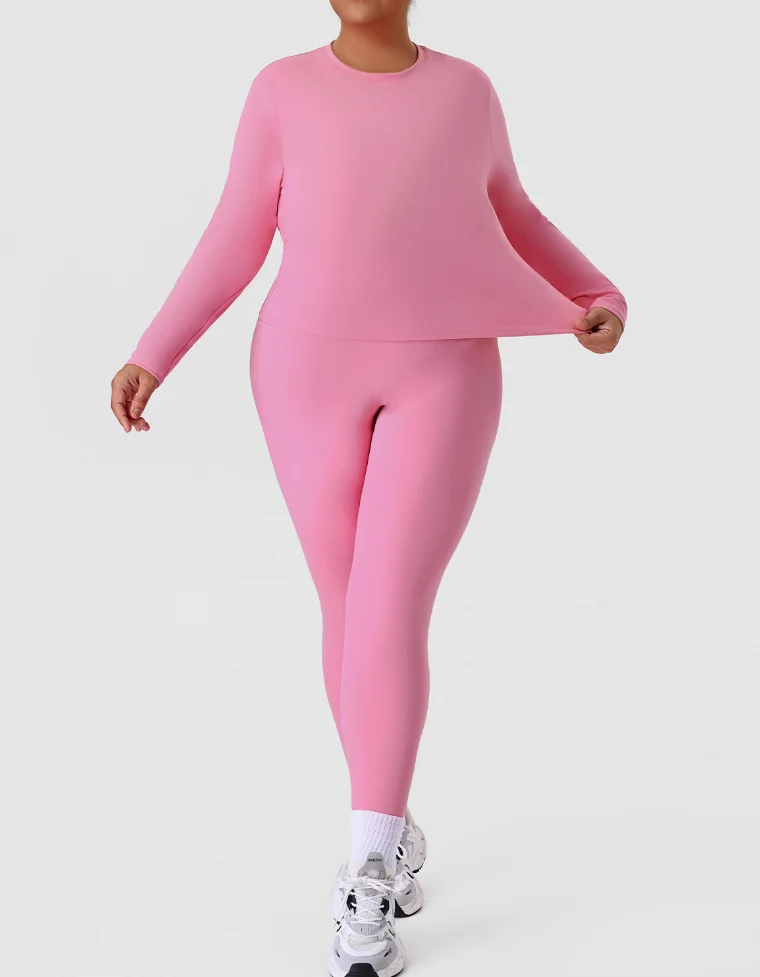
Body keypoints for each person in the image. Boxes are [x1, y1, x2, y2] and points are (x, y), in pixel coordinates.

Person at [110, 1, 627, 974]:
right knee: (348, 607)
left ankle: (367, 879)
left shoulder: (466, 91)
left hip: (446, 369)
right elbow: (234, 234)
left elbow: (513, 213)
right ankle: (386, 816)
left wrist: (596, 294)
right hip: (301, 372)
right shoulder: (281, 89)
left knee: (388, 603)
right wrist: (154, 352)